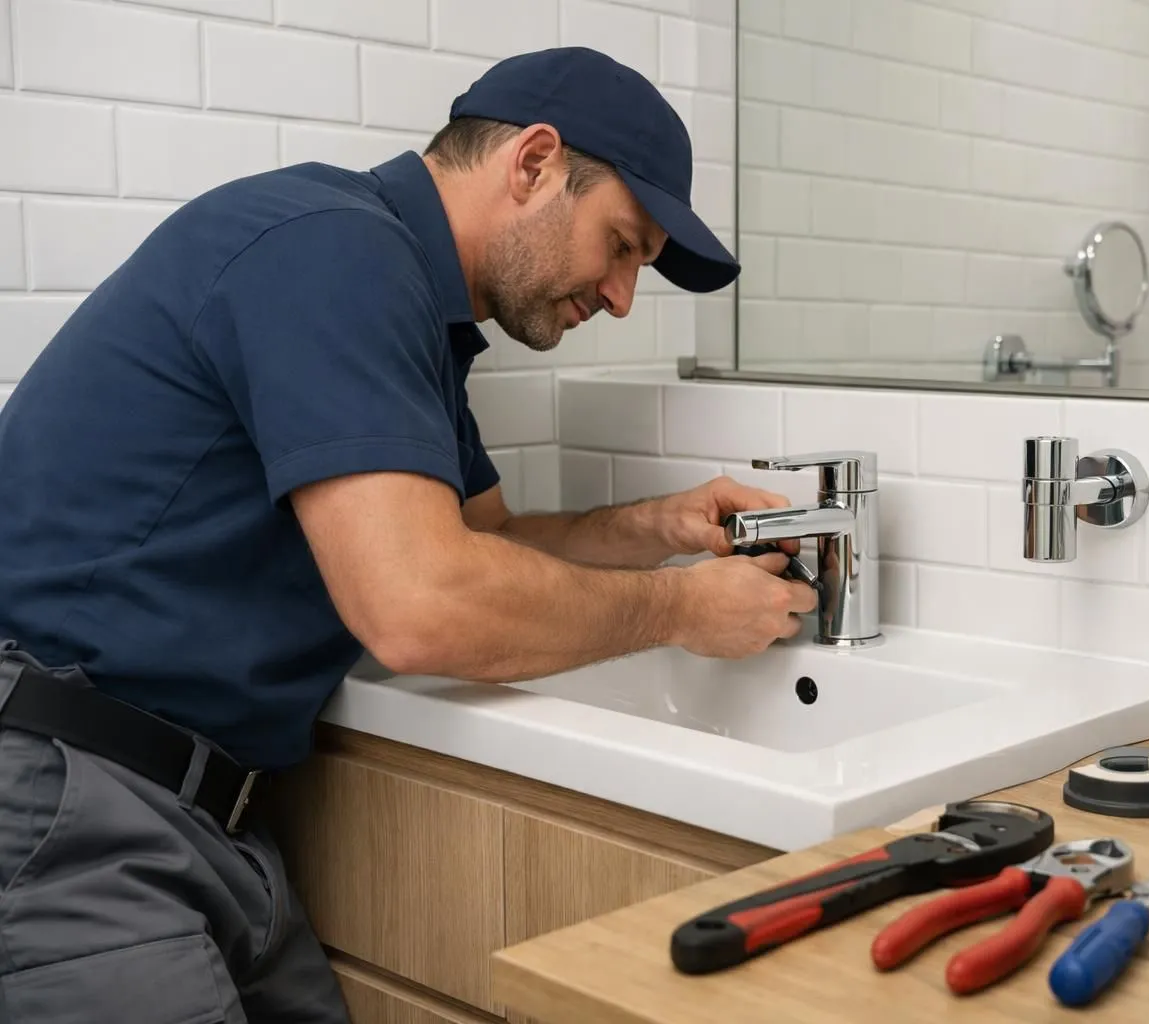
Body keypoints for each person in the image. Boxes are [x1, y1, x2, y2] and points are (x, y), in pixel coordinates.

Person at [0, 46, 816, 1021]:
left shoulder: (407, 304)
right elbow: (423, 605)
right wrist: (680, 606)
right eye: (624, 245)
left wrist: (653, 527)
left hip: (201, 815)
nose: (622, 295)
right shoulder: (333, 251)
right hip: (68, 798)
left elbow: (488, 539)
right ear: (534, 163)